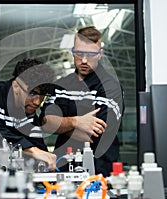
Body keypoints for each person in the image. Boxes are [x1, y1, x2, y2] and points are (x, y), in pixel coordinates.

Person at [40, 26, 124, 177]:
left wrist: (61, 125)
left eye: (91, 55)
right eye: (79, 54)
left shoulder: (111, 87)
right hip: (64, 167)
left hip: (99, 169)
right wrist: (76, 121)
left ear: (100, 54)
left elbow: (97, 131)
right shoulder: (60, 86)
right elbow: (45, 123)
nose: (84, 60)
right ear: (73, 52)